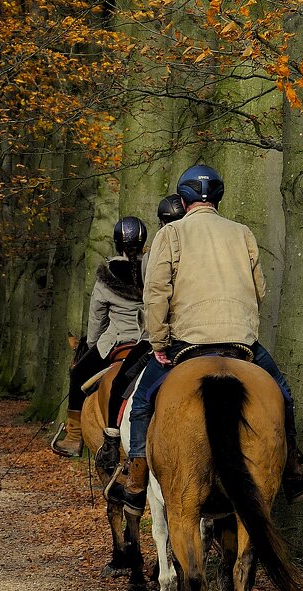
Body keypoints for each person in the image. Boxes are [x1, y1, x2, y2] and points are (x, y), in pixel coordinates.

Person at [105, 165, 303, 512]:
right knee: (282, 394)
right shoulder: (242, 232)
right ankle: (293, 469)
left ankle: (135, 478)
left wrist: (161, 344)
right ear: (219, 198)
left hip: (186, 343)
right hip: (241, 344)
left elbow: (156, 293)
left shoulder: (171, 234)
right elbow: (260, 290)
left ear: (182, 198)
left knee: (144, 400)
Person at [95, 194, 187, 472]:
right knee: (277, 386)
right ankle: (291, 453)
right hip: (218, 335)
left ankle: (115, 443)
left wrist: (157, 340)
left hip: (161, 337)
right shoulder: (218, 244)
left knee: (126, 387)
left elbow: (155, 300)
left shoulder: (157, 254)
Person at [51, 216, 148, 457]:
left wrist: (92, 345)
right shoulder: (155, 268)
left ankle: (74, 437)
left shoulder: (107, 275)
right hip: (147, 341)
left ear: (117, 243)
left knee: (78, 375)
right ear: (144, 242)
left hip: (115, 342)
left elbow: (97, 319)